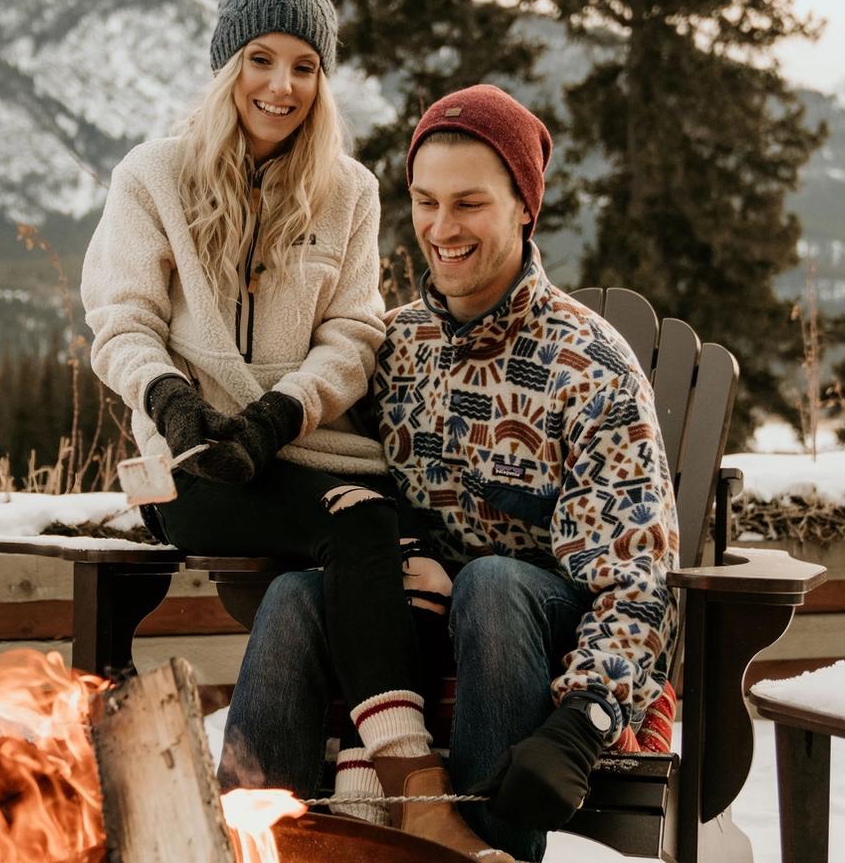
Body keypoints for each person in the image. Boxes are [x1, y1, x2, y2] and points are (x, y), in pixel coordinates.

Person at [79, 0, 505, 859]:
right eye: (263, 61)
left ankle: (356, 791)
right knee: (374, 535)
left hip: (306, 449)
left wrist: (278, 416)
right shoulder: (151, 176)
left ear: (324, 79)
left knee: (387, 540)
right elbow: (120, 322)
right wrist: (173, 403)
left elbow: (355, 332)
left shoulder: (347, 189)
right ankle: (411, 792)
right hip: (193, 463)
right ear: (228, 66)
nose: (283, 85)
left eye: (305, 67)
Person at [222, 84, 681, 862]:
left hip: (531, 629)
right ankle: (261, 844)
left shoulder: (591, 365)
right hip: (405, 623)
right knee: (296, 596)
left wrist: (585, 721)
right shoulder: (389, 349)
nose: (441, 228)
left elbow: (638, 582)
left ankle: (481, 852)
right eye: (426, 202)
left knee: (493, 582)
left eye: (469, 203)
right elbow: (323, 490)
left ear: (524, 208)